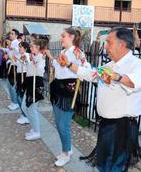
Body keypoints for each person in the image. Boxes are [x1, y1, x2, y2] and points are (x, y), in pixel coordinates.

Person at [59, 27, 141, 171]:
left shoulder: (136, 64)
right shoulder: (109, 65)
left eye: (109, 42)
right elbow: (90, 74)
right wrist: (69, 64)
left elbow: (134, 82)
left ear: (122, 45)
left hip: (122, 126)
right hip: (107, 124)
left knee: (114, 166)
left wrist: (116, 76)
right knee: (103, 164)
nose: (106, 47)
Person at [46, 27, 84, 167]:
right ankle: (66, 149)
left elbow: (84, 69)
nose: (61, 38)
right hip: (57, 88)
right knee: (58, 123)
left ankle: (67, 152)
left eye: (63, 36)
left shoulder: (77, 52)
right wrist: (51, 58)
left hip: (68, 91)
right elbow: (58, 66)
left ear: (72, 37)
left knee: (64, 125)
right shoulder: (63, 52)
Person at [21, 39, 45, 141]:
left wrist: (35, 63)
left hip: (36, 83)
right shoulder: (33, 56)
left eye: (32, 47)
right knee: (24, 106)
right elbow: (30, 69)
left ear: (38, 48)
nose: (30, 48)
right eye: (30, 47)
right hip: (30, 82)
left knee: (32, 108)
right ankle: (34, 127)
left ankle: (37, 131)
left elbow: (40, 70)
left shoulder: (41, 57)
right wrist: (27, 62)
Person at [15, 42, 30, 125]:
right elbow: (16, 64)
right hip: (19, 75)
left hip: (24, 75)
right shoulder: (18, 55)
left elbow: (28, 65)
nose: (19, 48)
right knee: (18, 95)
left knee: (21, 95)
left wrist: (24, 60)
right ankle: (23, 113)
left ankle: (26, 115)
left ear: (25, 48)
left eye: (21, 47)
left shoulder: (27, 55)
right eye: (19, 47)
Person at [7, 29, 20, 111]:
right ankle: (13, 101)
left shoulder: (17, 43)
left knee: (13, 85)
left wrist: (13, 48)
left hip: (15, 66)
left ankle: (16, 103)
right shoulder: (12, 43)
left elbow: (19, 51)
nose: (10, 35)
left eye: (12, 33)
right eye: (10, 33)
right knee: (9, 84)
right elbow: (9, 52)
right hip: (10, 64)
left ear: (16, 35)